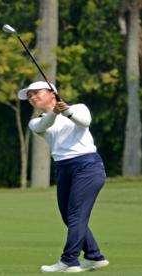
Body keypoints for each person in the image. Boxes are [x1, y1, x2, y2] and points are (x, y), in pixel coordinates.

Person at [17, 81, 110, 273]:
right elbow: (46, 123)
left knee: (76, 215)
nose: (32, 98)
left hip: (87, 165)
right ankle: (94, 257)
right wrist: (55, 112)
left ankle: (69, 260)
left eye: (36, 93)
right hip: (63, 168)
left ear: (53, 94)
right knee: (69, 216)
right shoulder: (36, 122)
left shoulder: (79, 108)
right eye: (30, 96)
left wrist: (66, 110)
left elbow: (84, 122)